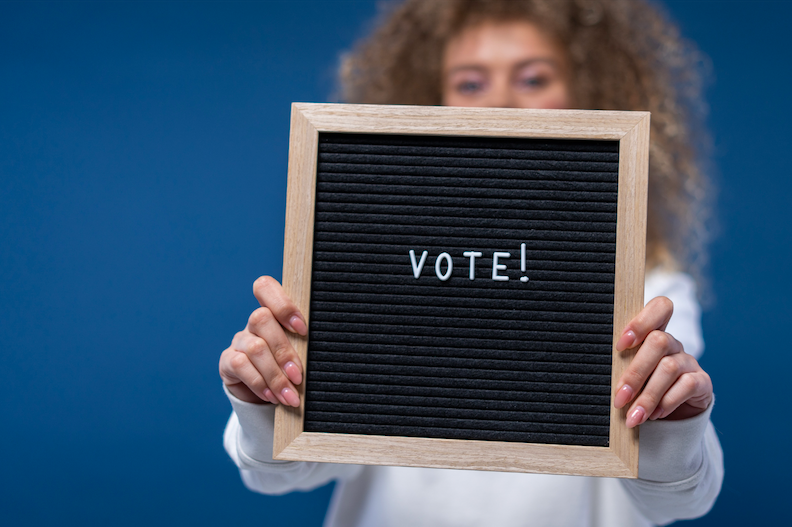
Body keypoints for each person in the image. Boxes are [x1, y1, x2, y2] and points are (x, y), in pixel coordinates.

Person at [219, 0, 723, 525]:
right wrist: (264, 398)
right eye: (470, 83)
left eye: (533, 79)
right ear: (431, 99)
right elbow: (279, 473)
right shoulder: (370, 261)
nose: (501, 103)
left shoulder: (650, 286)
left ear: (587, 90)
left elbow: (676, 498)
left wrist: (673, 425)